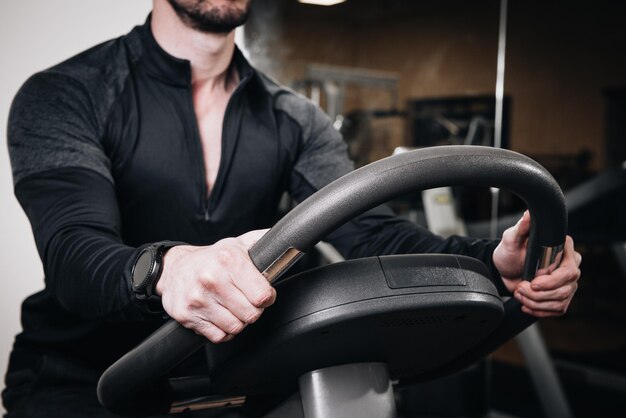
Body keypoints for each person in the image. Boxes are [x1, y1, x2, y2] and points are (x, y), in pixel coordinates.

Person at [3, 1, 582, 417]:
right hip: (82, 379)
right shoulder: (67, 92)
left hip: (231, 375)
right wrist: (167, 268)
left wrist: (492, 262)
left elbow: (371, 233)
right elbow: (75, 252)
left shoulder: (294, 119)